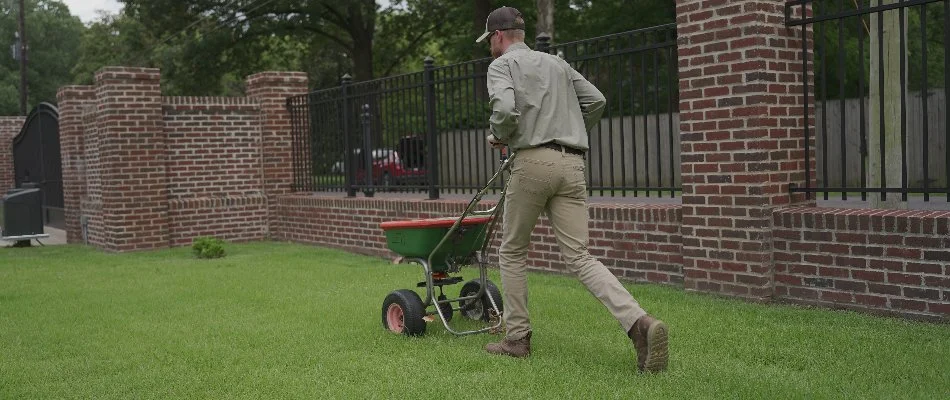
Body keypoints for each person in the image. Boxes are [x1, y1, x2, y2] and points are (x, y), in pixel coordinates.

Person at [475, 6, 669, 373]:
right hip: (573, 163)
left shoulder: (501, 66)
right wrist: (571, 130)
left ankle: (516, 339)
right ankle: (639, 323)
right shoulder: (557, 64)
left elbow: (504, 110)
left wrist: (499, 136)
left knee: (513, 250)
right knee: (580, 256)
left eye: (490, 41)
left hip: (532, 162)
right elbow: (596, 101)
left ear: (498, 36)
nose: (490, 47)